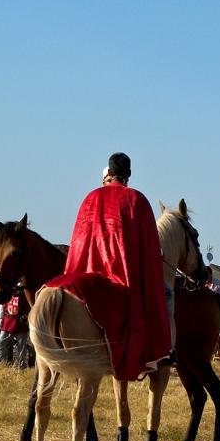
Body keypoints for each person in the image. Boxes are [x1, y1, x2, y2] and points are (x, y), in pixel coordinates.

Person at [45, 152, 171, 380]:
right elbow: (150, 252)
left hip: (87, 272)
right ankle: (159, 354)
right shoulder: (137, 200)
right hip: (122, 280)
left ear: (109, 172)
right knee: (167, 295)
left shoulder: (90, 198)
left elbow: (79, 242)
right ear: (128, 175)